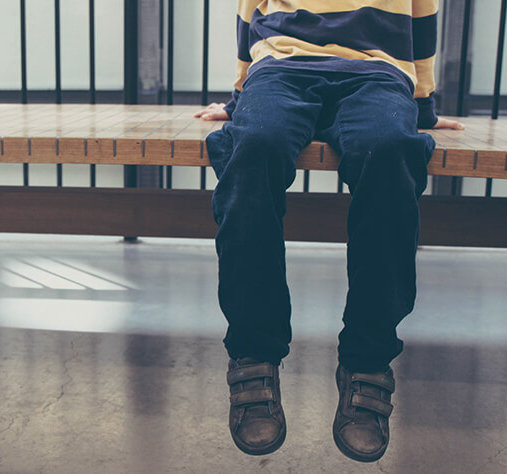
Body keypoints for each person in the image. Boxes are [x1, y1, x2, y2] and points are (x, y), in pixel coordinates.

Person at [194, 0, 463, 463]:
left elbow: (422, 21)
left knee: (392, 150)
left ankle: (367, 361)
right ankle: (254, 355)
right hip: (281, 66)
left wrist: (422, 108)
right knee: (253, 146)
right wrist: (240, 99)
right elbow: (247, 15)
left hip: (378, 72)